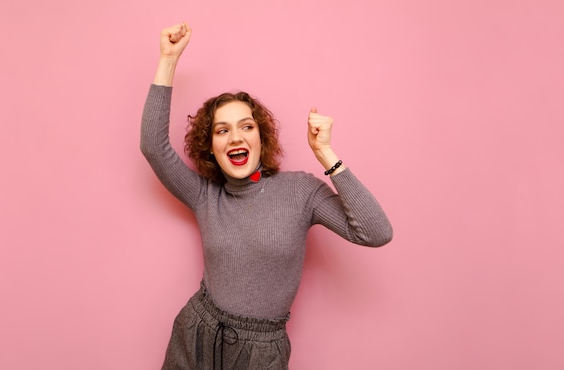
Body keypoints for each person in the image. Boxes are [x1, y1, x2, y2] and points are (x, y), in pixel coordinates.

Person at [140, 23, 393, 370]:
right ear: (211, 148)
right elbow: (153, 147)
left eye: (246, 126)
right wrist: (168, 59)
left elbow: (375, 232)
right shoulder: (204, 196)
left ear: (261, 137)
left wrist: (326, 155)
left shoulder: (301, 191)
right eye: (222, 130)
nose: (235, 138)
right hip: (197, 334)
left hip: (261, 352)